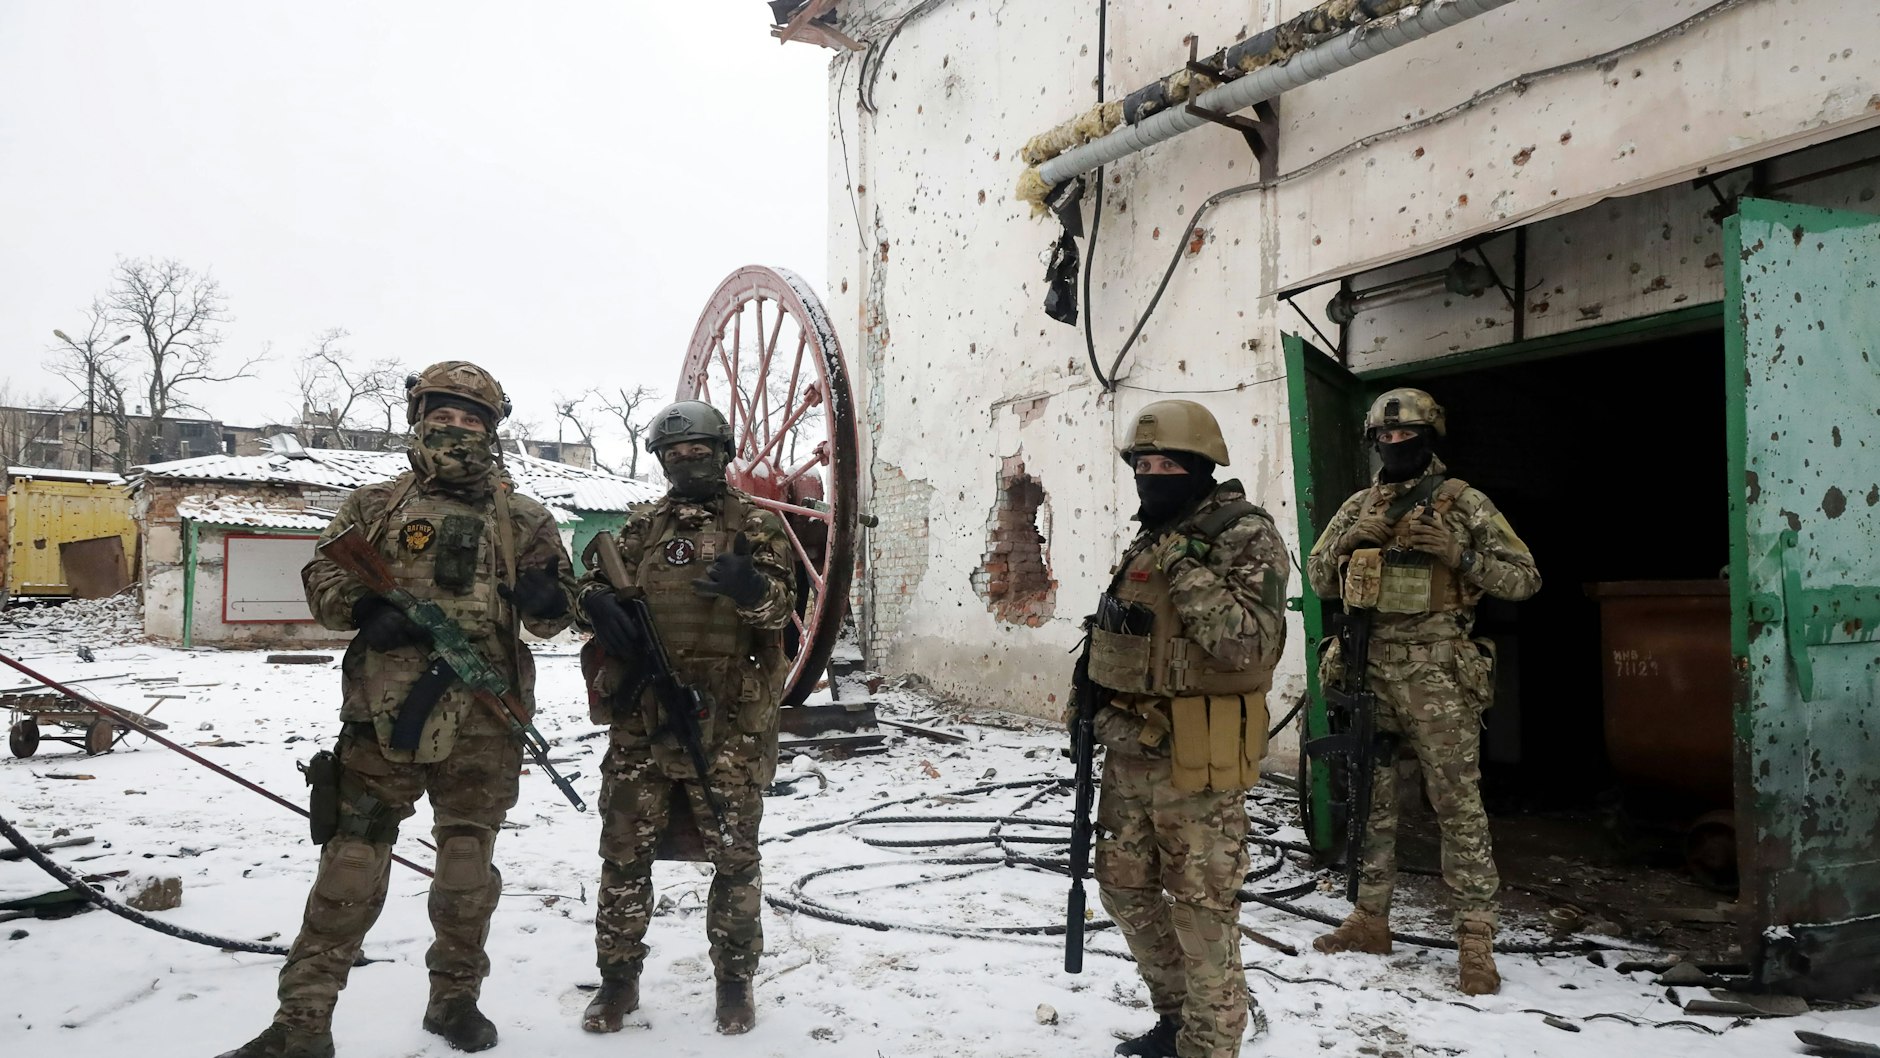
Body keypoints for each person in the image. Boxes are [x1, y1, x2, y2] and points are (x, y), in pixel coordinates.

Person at [216, 362, 577, 1057]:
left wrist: (548, 599)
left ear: (492, 431)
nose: (457, 430)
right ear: (419, 420)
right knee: (351, 863)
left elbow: (556, 618)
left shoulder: (524, 516)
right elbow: (324, 577)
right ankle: (302, 1024)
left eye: (472, 421)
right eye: (443, 416)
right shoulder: (375, 506)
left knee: (468, 868)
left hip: (485, 715)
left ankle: (454, 1000)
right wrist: (365, 607)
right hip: (384, 715)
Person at [1304, 387, 1540, 996]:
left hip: (1437, 674)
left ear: (1429, 437)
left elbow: (1525, 579)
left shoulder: (1464, 503)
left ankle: (1474, 939)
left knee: (1456, 806)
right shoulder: (1361, 505)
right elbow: (1320, 579)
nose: (1396, 445)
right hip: (1367, 669)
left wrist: (1460, 556)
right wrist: (1358, 537)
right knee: (1372, 802)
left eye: (1407, 436)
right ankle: (1370, 919)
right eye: (1385, 438)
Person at [574, 400, 795, 1036]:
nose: (688, 461)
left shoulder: (756, 524)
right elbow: (581, 593)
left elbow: (781, 614)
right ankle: (618, 983)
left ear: (723, 452)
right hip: (642, 720)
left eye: (700, 451)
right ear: (662, 461)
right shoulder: (641, 527)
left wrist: (752, 590)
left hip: (726, 727)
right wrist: (592, 602)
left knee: (734, 860)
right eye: (676, 454)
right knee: (623, 856)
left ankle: (733, 984)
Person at [1079, 400, 1289, 1058]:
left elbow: (1250, 645)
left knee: (1201, 909)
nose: (1152, 475)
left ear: (1199, 467)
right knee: (1122, 890)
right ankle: (1177, 1019)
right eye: (1143, 464)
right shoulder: (1155, 535)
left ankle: (1212, 1040)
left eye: (1167, 463)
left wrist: (1185, 568)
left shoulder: (1240, 533)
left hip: (1197, 757)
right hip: (1130, 749)